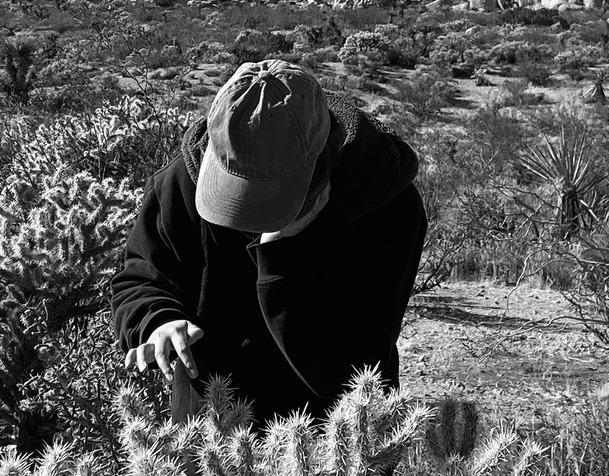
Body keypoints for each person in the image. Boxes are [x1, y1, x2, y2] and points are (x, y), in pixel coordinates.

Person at [114, 60, 426, 421]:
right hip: (210, 430)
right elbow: (140, 277)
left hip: (335, 438)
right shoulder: (182, 180)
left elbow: (351, 368)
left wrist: (280, 256)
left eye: (268, 200)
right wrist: (157, 320)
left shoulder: (384, 203)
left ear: (320, 163)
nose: (248, 219)